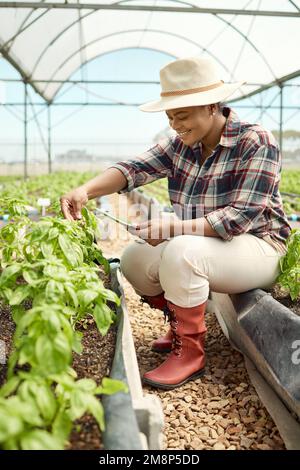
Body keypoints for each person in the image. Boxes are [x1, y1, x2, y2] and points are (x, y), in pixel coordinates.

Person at [60, 57, 291, 390]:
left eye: (182, 115)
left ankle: (192, 354)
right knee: (134, 259)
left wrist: (172, 227)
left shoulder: (255, 141)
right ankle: (181, 323)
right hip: (206, 243)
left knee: (182, 251)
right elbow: (133, 169)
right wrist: (85, 190)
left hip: (260, 246)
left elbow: (239, 217)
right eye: (170, 117)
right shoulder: (180, 146)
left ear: (212, 106)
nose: (175, 125)